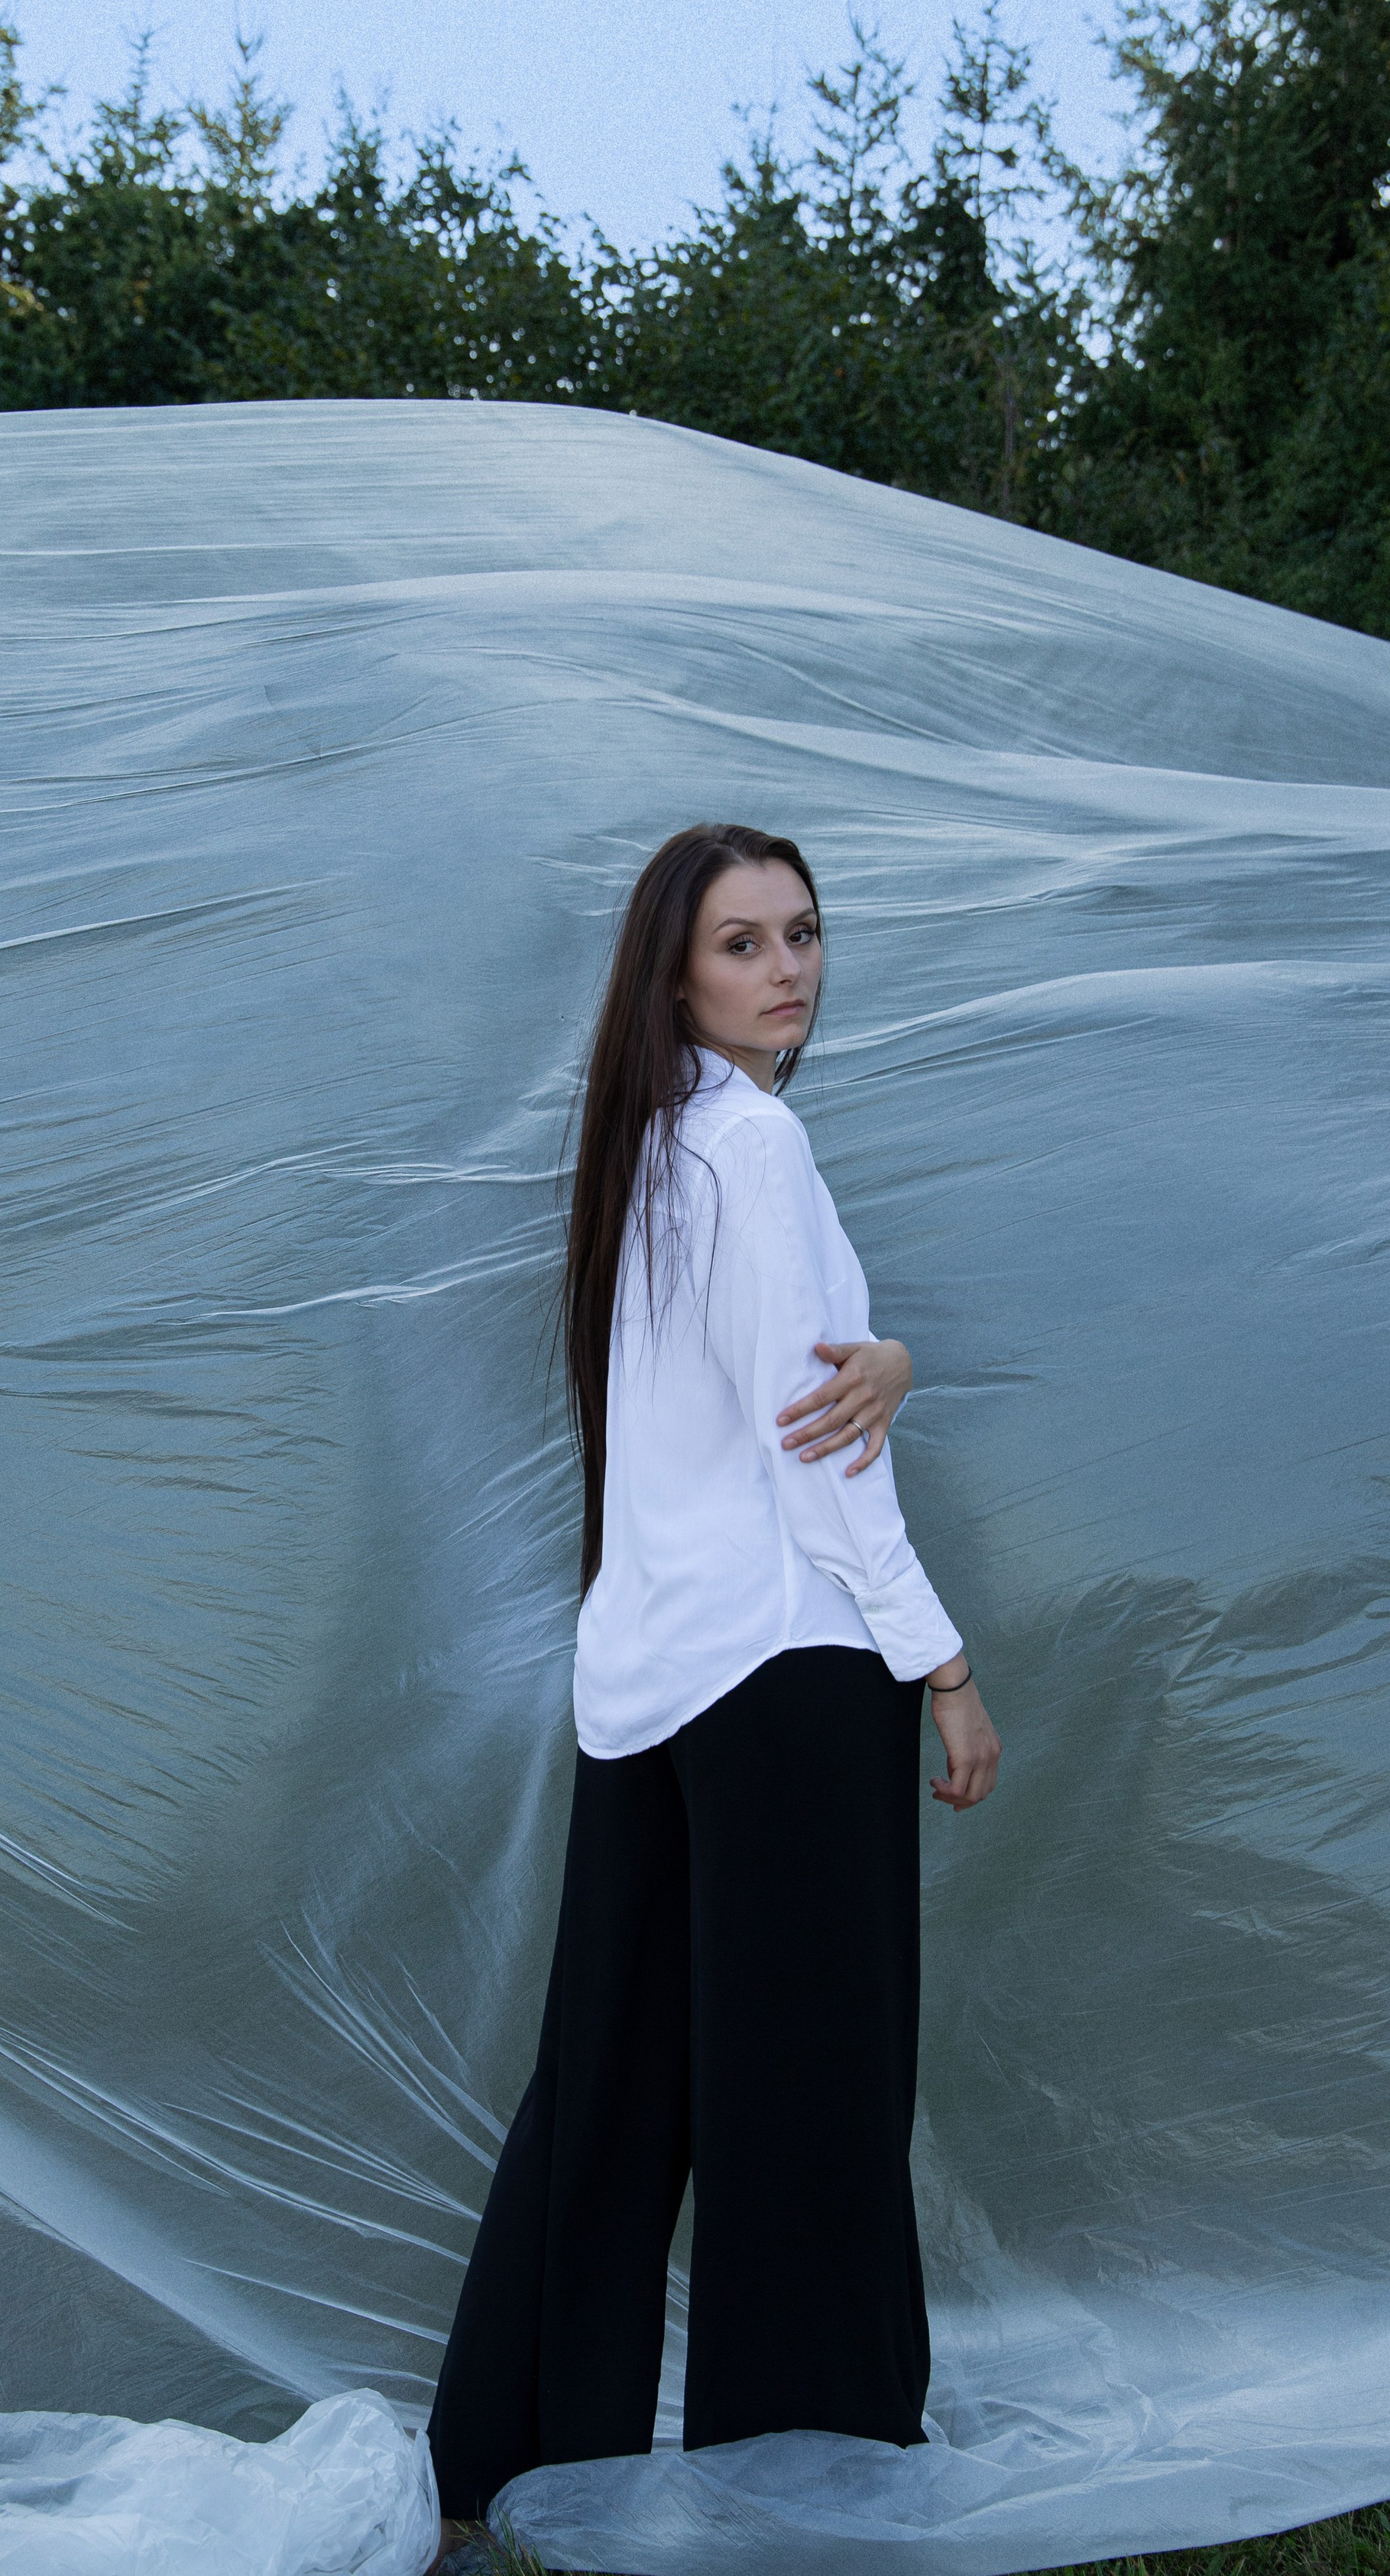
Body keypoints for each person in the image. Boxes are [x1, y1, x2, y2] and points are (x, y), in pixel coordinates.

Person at [427, 823, 1001, 2529]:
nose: (788, 970)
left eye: (803, 935)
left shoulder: (647, 1147)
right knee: (809, 2086)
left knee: (614, 2072)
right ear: (672, 972)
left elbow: (768, 1396)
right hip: (786, 1665)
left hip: (652, 1670)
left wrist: (882, 1353)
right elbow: (813, 1445)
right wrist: (942, 1662)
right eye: (744, 943)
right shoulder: (749, 1145)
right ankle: (808, 2471)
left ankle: (505, 2454)